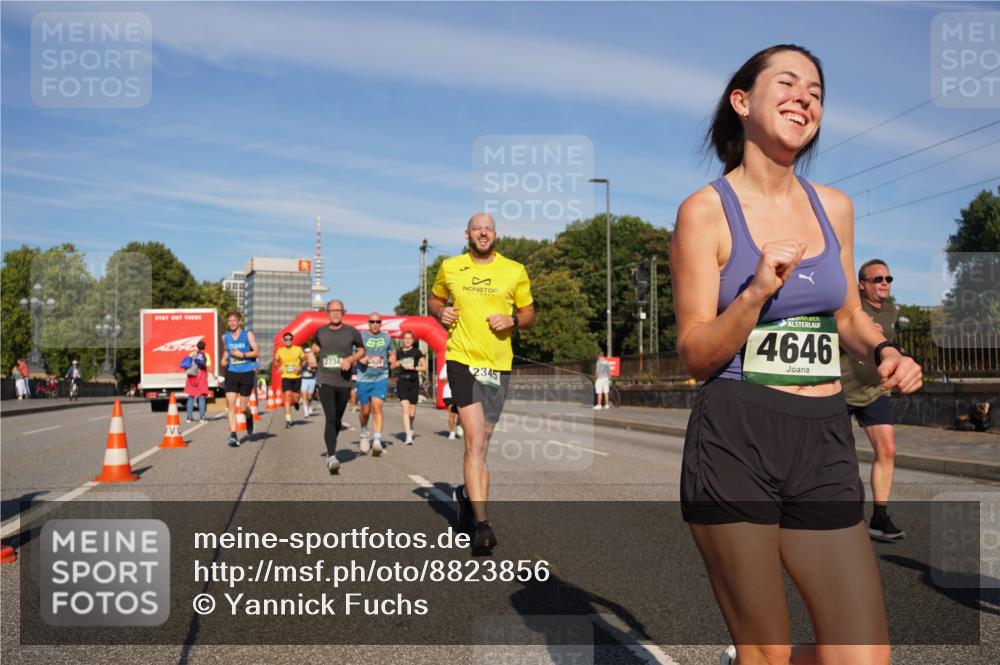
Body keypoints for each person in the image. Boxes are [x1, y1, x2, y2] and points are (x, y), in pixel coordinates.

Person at [670, 45, 922, 665]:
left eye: (816, 92)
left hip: (824, 437)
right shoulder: (705, 211)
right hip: (737, 436)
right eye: (787, 83)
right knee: (768, 652)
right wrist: (756, 291)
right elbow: (695, 354)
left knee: (862, 657)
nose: (804, 98)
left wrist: (885, 348)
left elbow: (847, 316)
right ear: (742, 101)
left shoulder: (832, 206)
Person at [429, 212, 535, 552]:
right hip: (462, 359)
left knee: (484, 439)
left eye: (489, 228)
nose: (484, 233)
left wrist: (513, 320)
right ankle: (482, 525)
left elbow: (529, 314)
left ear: (495, 234)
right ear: (467, 234)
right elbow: (435, 299)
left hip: (497, 364)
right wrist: (440, 311)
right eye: (478, 229)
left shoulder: (514, 270)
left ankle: (464, 494)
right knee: (474, 442)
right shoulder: (450, 267)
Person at [840, 259, 905, 541]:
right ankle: (841, 518)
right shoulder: (852, 309)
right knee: (839, 458)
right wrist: (863, 333)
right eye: (877, 279)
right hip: (842, 390)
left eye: (888, 279)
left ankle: (879, 517)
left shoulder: (892, 310)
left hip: (875, 390)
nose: (884, 283)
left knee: (887, 448)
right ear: (861, 285)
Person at [309, 299, 365, 474]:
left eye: (338, 310)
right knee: (331, 417)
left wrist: (350, 359)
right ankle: (332, 456)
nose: (335, 313)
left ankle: (331, 448)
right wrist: (310, 355)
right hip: (325, 378)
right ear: (327, 313)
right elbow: (314, 347)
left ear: (343, 313)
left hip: (344, 381)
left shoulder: (352, 332)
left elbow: (361, 351)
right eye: (332, 310)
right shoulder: (321, 331)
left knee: (338, 419)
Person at [356, 312, 396, 456]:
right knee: (365, 410)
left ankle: (377, 440)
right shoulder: (361, 337)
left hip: (381, 377)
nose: (375, 324)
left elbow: (392, 352)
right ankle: (363, 433)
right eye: (372, 322)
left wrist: (393, 358)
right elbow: (354, 354)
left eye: (377, 322)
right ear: (368, 323)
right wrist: (359, 359)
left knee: (377, 407)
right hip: (364, 378)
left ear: (381, 323)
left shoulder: (387, 337)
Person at [220, 311, 258, 447]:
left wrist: (242, 355)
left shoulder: (248, 335)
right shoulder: (225, 337)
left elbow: (256, 352)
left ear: (239, 322)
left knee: (242, 408)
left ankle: (249, 416)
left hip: (246, 372)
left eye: (234, 320)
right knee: (231, 404)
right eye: (230, 321)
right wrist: (223, 360)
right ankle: (233, 435)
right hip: (231, 372)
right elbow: (227, 351)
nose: (232, 323)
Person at [393, 330, 427, 445]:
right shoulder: (399, 352)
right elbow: (392, 365)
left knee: (412, 412)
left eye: (409, 338)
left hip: (413, 382)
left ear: (413, 340)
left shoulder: (417, 352)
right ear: (403, 340)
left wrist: (414, 368)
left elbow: (425, 367)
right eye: (405, 338)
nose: (407, 340)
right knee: (405, 408)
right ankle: (408, 436)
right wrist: (396, 363)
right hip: (402, 382)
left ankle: (411, 425)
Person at [273, 332, 306, 428]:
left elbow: (304, 360)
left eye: (290, 339)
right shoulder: (280, 350)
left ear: (292, 340)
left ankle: (296, 402)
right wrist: (278, 367)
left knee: (296, 397)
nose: (288, 341)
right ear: (283, 341)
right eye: (286, 339)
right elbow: (275, 361)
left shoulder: (298, 349)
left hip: (296, 376)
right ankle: (288, 419)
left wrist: (300, 367)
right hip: (286, 376)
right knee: (287, 396)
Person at [184, 340, 213, 422]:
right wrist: (214, 375)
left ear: (197, 347)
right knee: (202, 397)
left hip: (192, 376)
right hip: (201, 376)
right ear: (204, 347)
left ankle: (189, 417)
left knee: (191, 396)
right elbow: (209, 366)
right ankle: (202, 417)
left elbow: (188, 364)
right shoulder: (206, 355)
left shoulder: (192, 354)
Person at [439, 363, 463, 440]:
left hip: (461, 393)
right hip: (449, 394)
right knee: (452, 414)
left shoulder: (464, 365)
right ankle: (452, 432)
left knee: (462, 413)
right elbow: (441, 378)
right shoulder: (447, 365)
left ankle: (458, 424)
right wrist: (451, 377)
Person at [300, 348, 318, 418]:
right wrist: (303, 364)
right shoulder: (301, 360)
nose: (307, 354)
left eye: (308, 352)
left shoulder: (313, 360)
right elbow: (298, 368)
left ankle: (310, 406)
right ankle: (306, 412)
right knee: (304, 395)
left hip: (312, 380)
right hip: (304, 380)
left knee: (309, 397)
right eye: (306, 352)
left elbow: (315, 369)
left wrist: (312, 369)